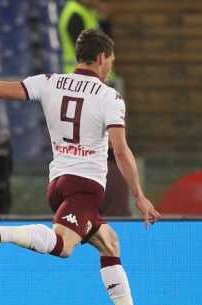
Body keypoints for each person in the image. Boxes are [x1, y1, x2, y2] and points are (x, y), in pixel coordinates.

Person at [0, 29, 162, 305]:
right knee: (64, 247)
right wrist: (140, 196)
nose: (111, 66)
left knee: (110, 244)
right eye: (111, 60)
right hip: (85, 187)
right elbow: (120, 151)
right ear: (102, 58)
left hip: (58, 184)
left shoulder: (49, 82)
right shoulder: (110, 98)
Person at [59, 0, 130, 217]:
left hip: (98, 87)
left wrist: (104, 19)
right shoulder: (75, 14)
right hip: (84, 90)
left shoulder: (87, 13)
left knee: (104, 148)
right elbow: (91, 53)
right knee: (100, 147)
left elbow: (106, 45)